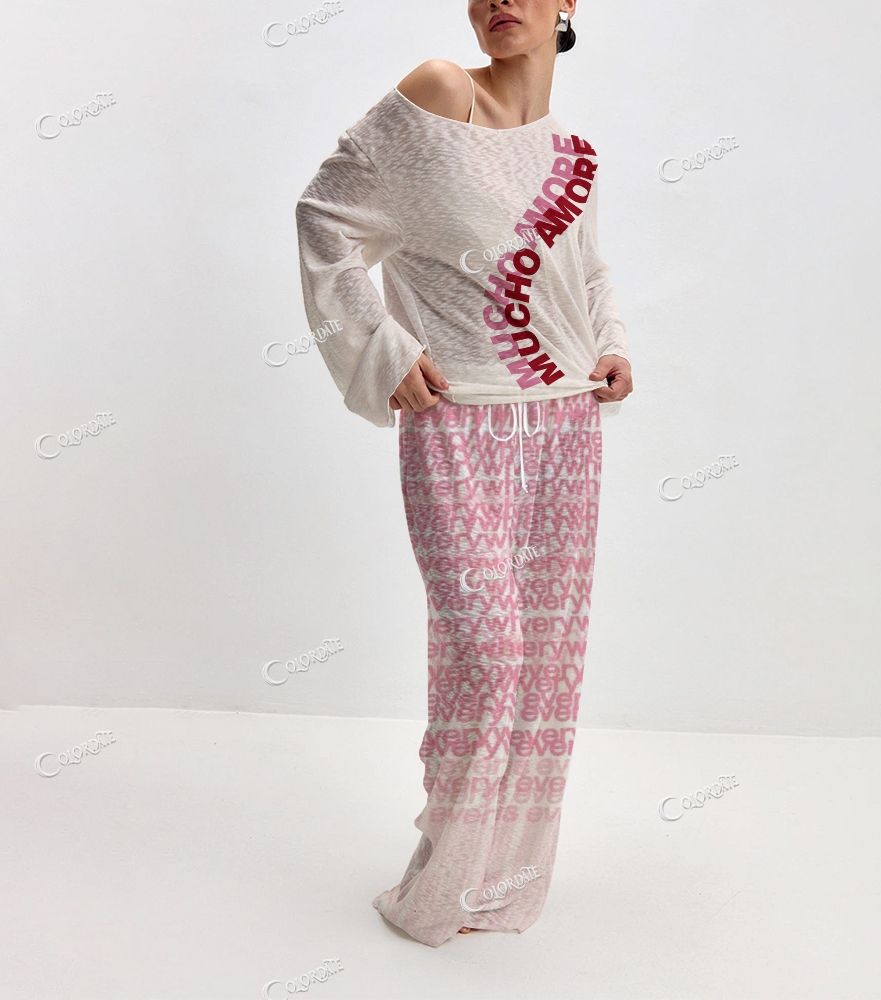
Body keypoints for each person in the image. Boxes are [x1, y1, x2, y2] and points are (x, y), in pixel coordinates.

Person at [294, 0, 633, 948]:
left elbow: (588, 272)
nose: (498, 0)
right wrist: (381, 346)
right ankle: (443, 877)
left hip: (567, 423)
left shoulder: (574, 153)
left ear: (568, 4)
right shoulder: (442, 94)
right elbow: (323, 217)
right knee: (490, 653)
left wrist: (611, 342)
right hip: (459, 421)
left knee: (546, 665)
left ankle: (496, 882)